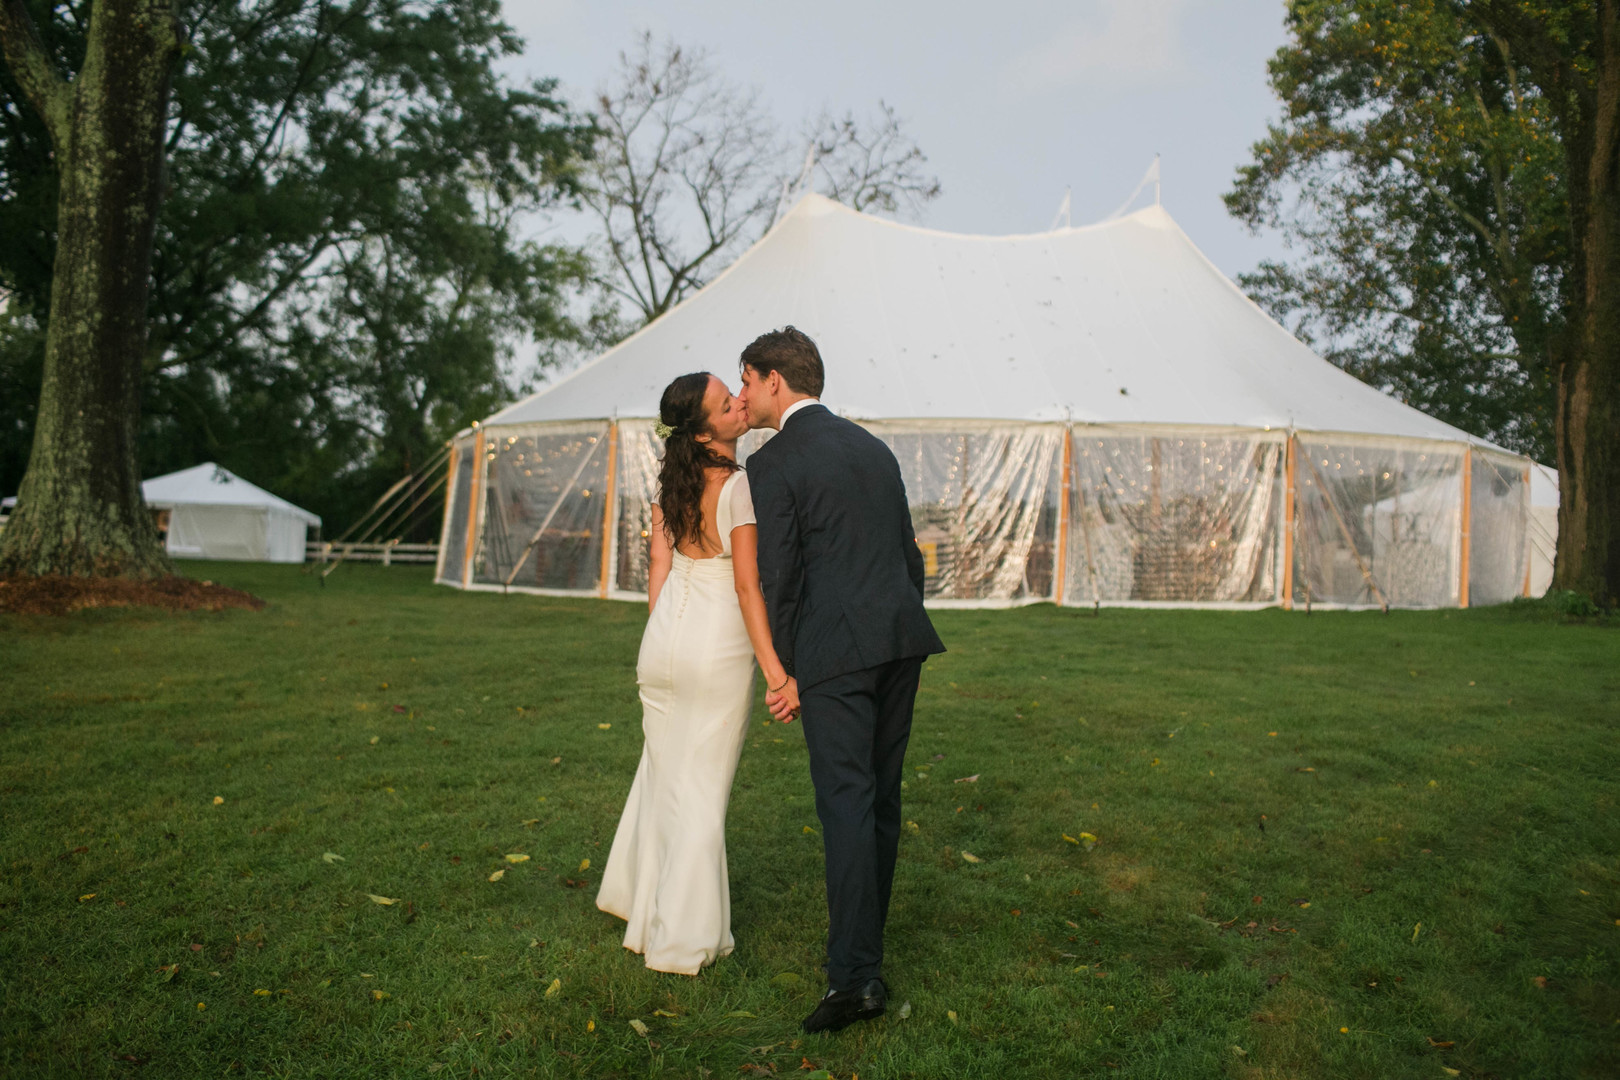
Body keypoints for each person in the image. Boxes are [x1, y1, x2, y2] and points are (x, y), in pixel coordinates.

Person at [738, 326, 946, 1034]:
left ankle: (855, 978)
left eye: (746, 380)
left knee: (849, 808)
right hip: (900, 640)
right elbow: (907, 556)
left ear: (774, 380)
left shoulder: (773, 464)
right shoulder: (873, 448)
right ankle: (864, 960)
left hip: (837, 654)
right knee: (880, 802)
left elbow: (781, 577)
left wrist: (789, 669)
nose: (743, 396)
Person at [595, 371, 792, 975]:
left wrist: (662, 635)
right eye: (725, 401)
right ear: (707, 427)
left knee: (665, 780)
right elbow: (745, 586)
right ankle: (681, 940)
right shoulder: (737, 487)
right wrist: (777, 674)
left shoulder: (669, 487)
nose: (739, 402)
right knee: (700, 794)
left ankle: (640, 905)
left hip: (664, 643)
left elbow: (661, 565)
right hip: (715, 648)